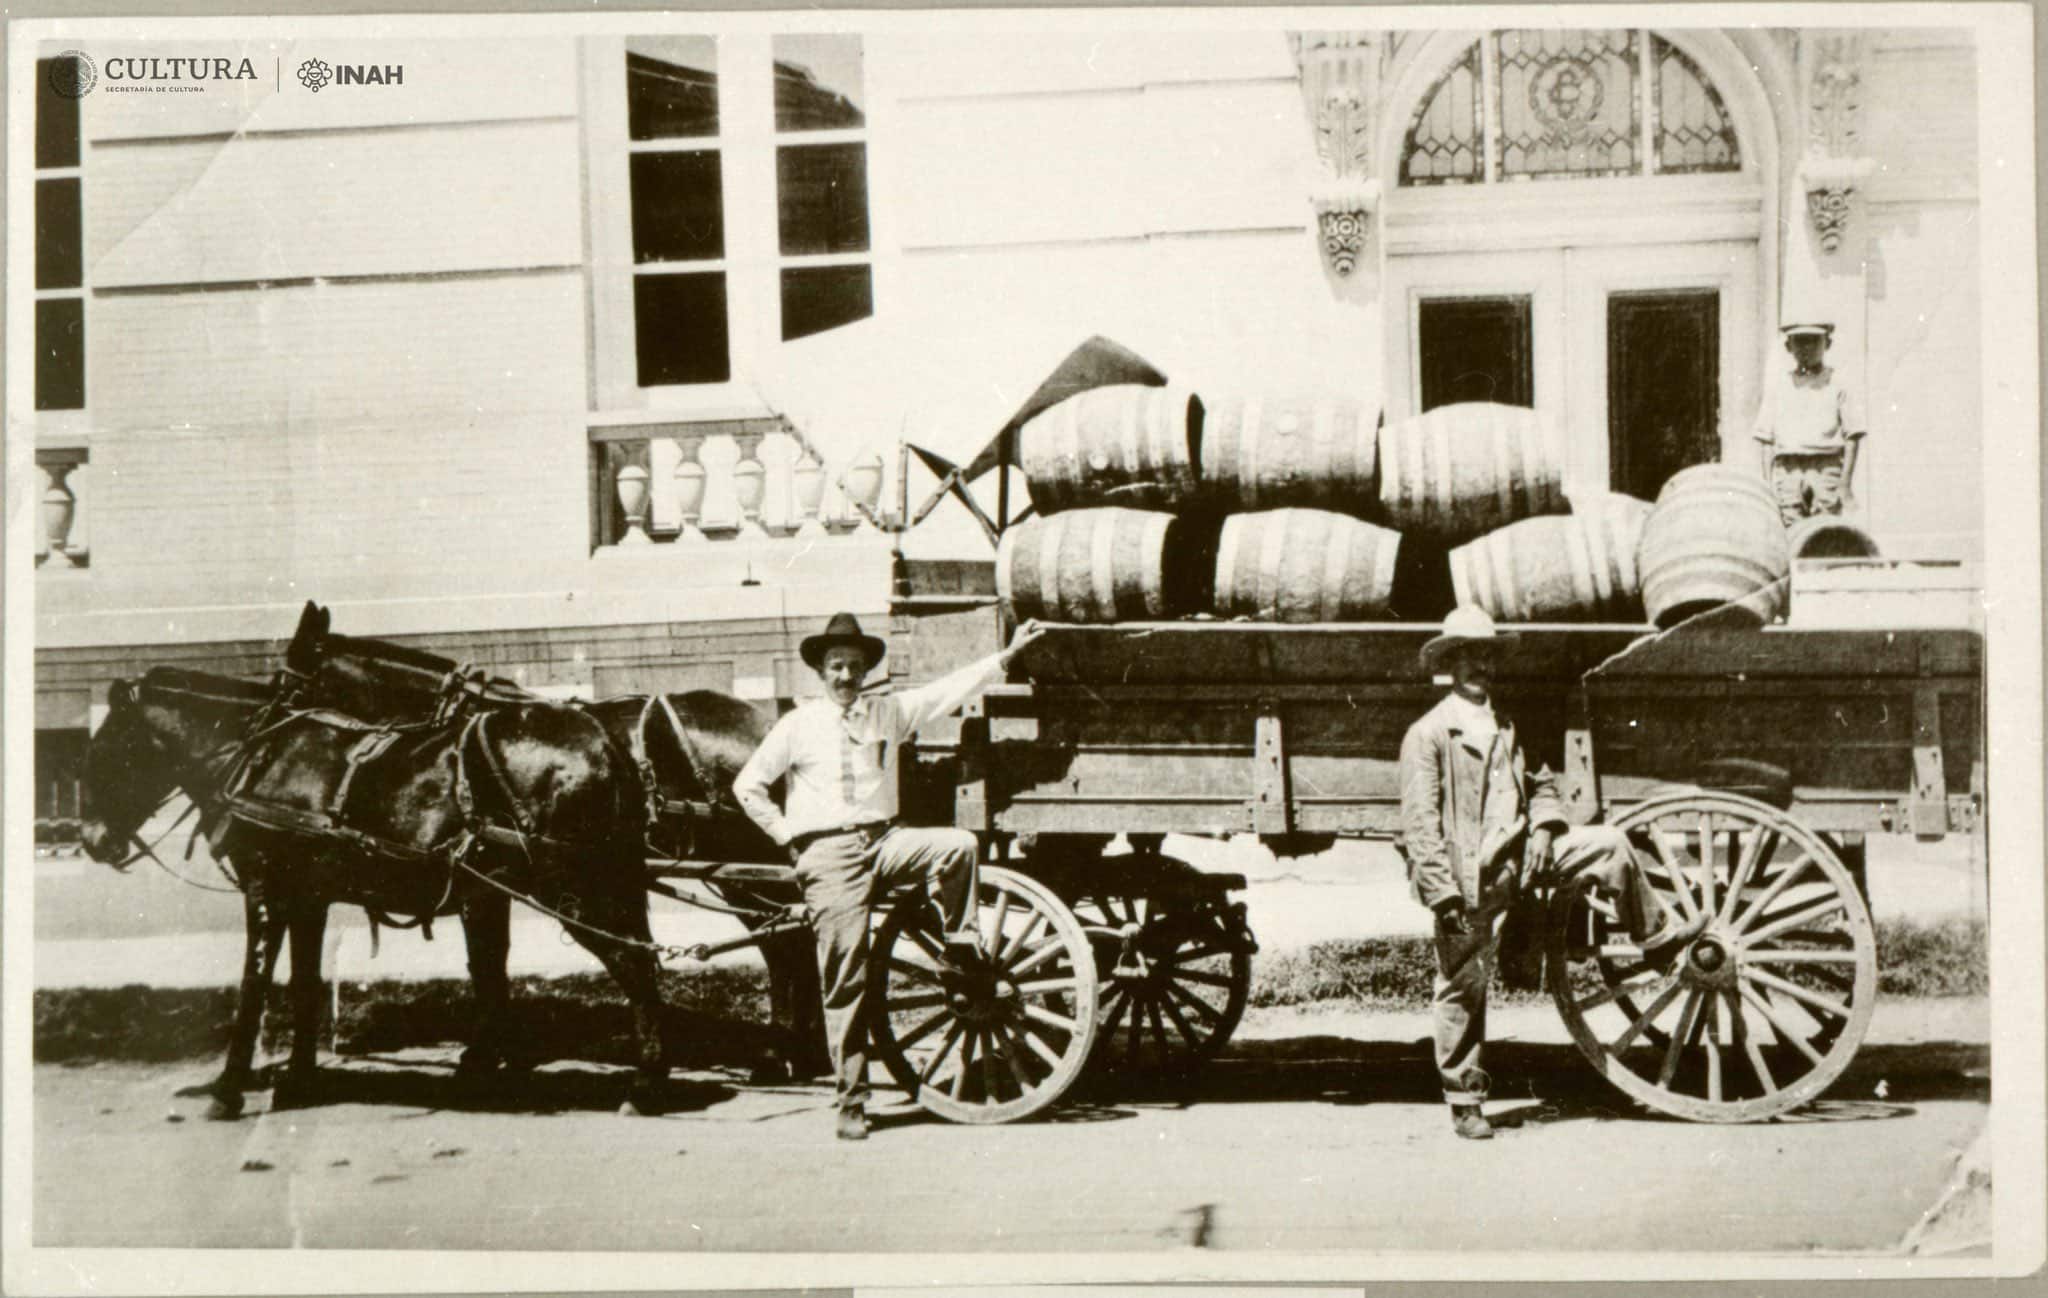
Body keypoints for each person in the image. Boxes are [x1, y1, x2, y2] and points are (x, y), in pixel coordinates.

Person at [734, 611, 1047, 1141]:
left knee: (958, 846)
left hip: (884, 842)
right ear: (820, 671)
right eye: (836, 666)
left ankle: (959, 947)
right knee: (846, 981)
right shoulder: (797, 725)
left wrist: (1006, 658)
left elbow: (947, 691)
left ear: (866, 669)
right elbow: (749, 786)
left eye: (854, 666)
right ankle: (852, 1100)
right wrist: (790, 836)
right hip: (829, 854)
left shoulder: (889, 712)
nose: (845, 676)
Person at [1397, 607, 1708, 1140]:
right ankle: (1465, 1099)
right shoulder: (1428, 735)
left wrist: (1544, 830)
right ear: (1449, 663)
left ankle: (1655, 939)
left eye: (1486, 655)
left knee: (1609, 844)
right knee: (1461, 986)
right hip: (1472, 877)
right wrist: (1443, 895)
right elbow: (1420, 825)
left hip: (1527, 860)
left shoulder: (1507, 724)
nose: (1479, 665)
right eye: (1466, 655)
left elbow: (1541, 784)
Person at [1752, 320, 1866, 525]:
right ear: (1789, 346)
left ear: (1827, 344)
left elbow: (1853, 435)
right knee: (1790, 528)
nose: (1807, 348)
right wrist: (1767, 484)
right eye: (1800, 341)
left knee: (1825, 529)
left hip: (1826, 466)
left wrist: (1845, 483)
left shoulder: (1838, 382)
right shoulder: (1779, 385)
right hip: (1788, 468)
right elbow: (1766, 439)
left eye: (1814, 341)